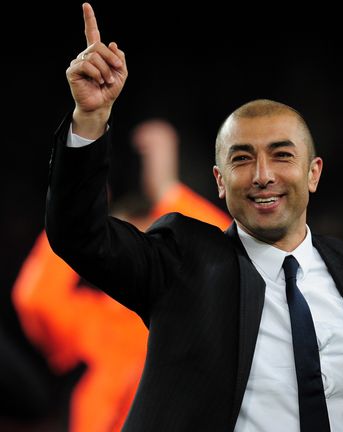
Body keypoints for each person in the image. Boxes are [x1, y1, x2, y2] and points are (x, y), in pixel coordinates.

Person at [45, 4, 343, 431]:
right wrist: (90, 118)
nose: (263, 176)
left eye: (282, 155)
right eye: (242, 159)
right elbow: (78, 234)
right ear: (219, 180)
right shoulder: (182, 261)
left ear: (313, 173)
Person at [13, 118, 230, 432]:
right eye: (118, 240)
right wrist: (76, 214)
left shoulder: (193, 313)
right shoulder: (96, 316)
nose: (132, 253)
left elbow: (225, 259)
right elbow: (36, 299)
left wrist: (167, 190)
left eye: (145, 239)